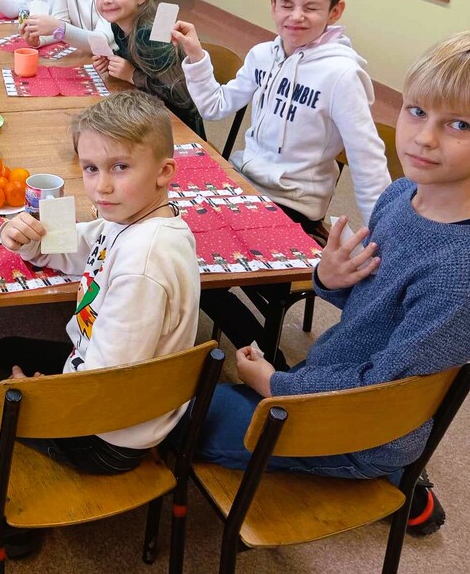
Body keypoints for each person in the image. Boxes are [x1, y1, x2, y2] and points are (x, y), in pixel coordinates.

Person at [189, 30, 470, 537]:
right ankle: (399, 469)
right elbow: (373, 306)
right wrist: (328, 277)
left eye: (460, 125)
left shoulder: (459, 274)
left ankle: (390, 469)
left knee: (177, 419)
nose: (425, 138)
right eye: (416, 111)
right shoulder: (402, 195)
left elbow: (385, 388)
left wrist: (275, 385)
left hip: (360, 425)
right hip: (333, 376)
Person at [0, 91, 200, 542]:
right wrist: (23, 235)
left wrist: (44, 397)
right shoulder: (131, 219)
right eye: (91, 168)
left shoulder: (142, 265)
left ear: (164, 172)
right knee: (4, 350)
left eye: (120, 167)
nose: (101, 187)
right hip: (110, 394)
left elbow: (104, 385)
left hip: (105, 438)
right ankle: (0, 482)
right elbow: (69, 245)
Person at [171, 0, 390, 353]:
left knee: (192, 261)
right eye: (287, 5)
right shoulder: (263, 55)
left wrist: (386, 238)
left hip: (292, 203)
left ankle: (264, 360)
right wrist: (197, 56)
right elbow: (216, 106)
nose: (296, 16)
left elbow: (367, 161)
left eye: (311, 7)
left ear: (335, 12)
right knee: (166, 224)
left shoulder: (342, 75)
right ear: (273, 5)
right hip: (245, 184)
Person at [93, 0, 204, 137]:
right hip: (148, 112)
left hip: (177, 126)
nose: (106, 0)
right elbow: (141, 63)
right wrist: (113, 61)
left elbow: (183, 97)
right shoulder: (117, 26)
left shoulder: (149, 36)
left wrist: (131, 75)